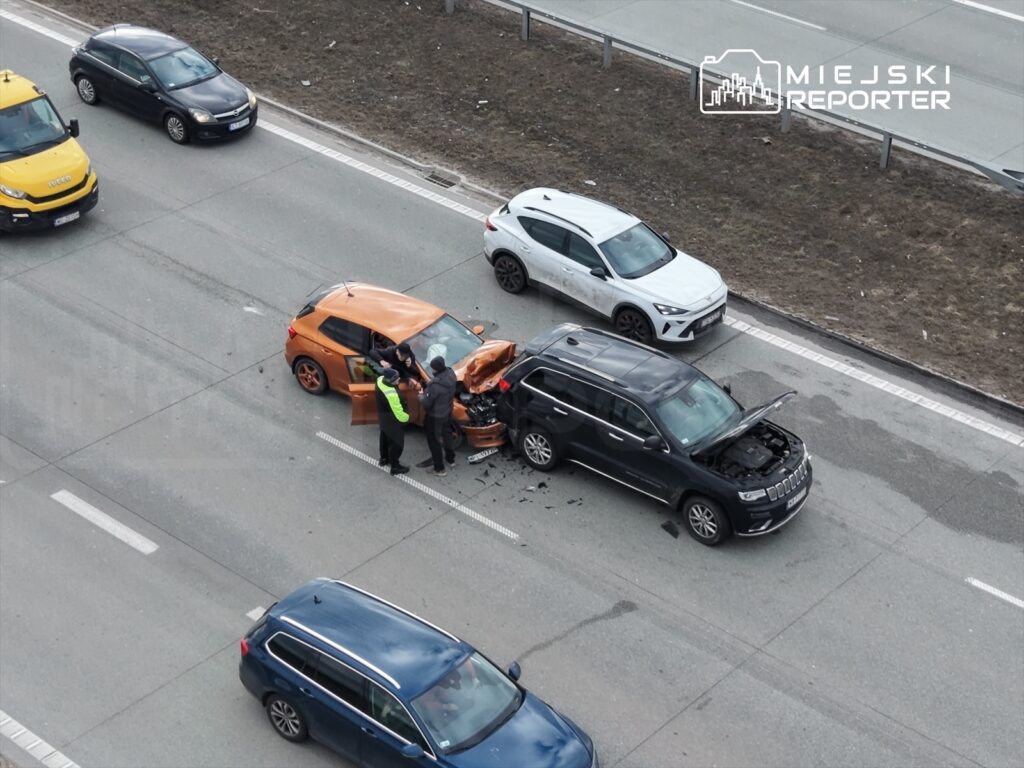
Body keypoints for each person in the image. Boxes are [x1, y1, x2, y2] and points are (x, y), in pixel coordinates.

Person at [416, 356, 457, 476]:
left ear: (435, 369)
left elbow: (427, 403)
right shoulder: (451, 374)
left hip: (435, 416)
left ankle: (439, 469)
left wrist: (421, 395)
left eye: (432, 368)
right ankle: (450, 459)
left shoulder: (435, 386)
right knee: (447, 435)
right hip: (447, 411)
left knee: (434, 441)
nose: (431, 370)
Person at [375, 367, 410, 475]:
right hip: (393, 421)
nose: (399, 379)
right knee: (396, 444)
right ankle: (395, 467)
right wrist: (407, 418)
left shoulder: (380, 380)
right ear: (391, 381)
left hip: (383, 417)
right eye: (396, 379)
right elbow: (398, 413)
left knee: (384, 438)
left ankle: (384, 459)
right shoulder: (392, 394)